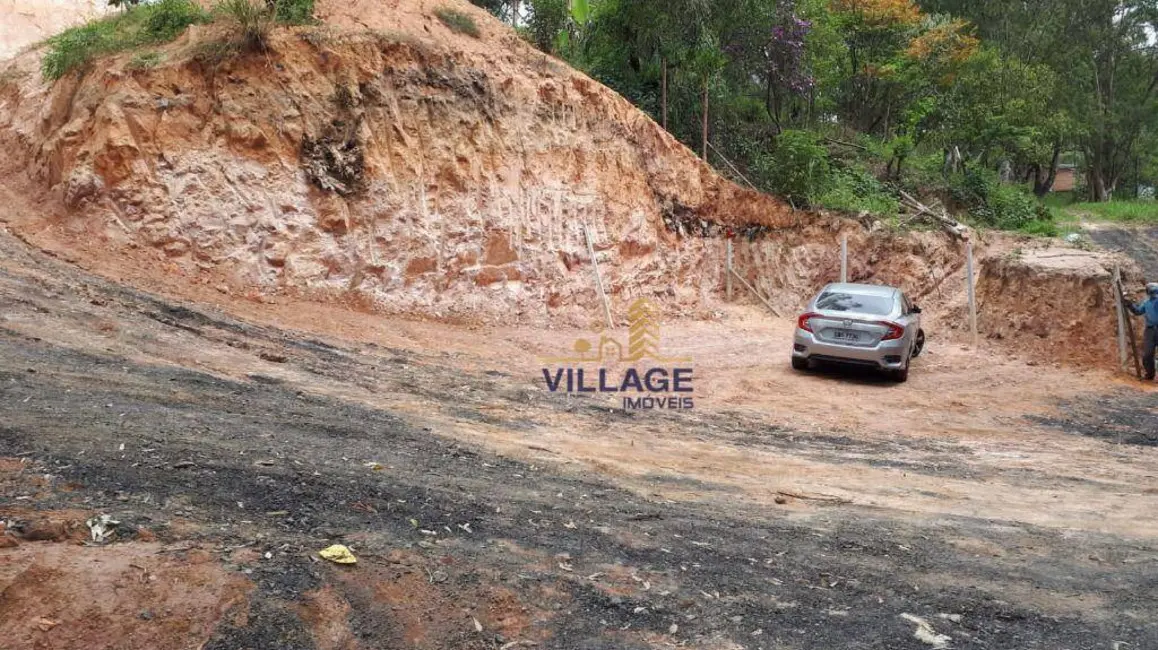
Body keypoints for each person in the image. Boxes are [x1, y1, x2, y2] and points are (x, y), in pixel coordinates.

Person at [1124, 282, 1158, 380]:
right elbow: (1138, 311)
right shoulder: (1146, 303)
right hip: (1150, 330)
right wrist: (1130, 304)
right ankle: (1150, 374)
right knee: (1147, 354)